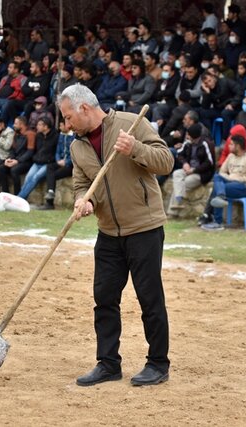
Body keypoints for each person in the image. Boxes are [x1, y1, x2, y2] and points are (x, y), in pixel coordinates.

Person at [58, 84, 173, 387]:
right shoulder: (77, 145)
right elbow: (83, 181)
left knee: (150, 299)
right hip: (108, 231)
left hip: (144, 228)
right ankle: (108, 363)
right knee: (104, 298)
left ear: (84, 108)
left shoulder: (131, 124)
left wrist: (135, 148)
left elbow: (165, 161)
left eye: (69, 117)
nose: (66, 125)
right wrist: (85, 200)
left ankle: (158, 363)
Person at [201, 134, 246, 231]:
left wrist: (240, 179)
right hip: (230, 183)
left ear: (238, 146)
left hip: (245, 187)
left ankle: (217, 222)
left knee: (218, 189)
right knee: (217, 177)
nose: (228, 146)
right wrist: (230, 178)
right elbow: (222, 172)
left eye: (231, 144)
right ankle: (221, 196)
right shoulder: (230, 156)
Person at [167, 123, 214, 215]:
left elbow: (209, 162)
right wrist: (185, 163)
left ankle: (172, 211)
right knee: (177, 174)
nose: (187, 136)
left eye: (188, 134)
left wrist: (194, 170)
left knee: (183, 183)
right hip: (188, 169)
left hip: (201, 173)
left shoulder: (206, 143)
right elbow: (179, 154)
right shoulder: (188, 143)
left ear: (194, 135)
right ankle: (179, 199)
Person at [17, 117, 58, 200]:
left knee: (36, 177)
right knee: (28, 178)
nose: (37, 127)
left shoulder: (55, 136)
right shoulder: (38, 136)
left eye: (39, 125)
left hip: (47, 163)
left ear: (46, 127)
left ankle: (20, 198)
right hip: (37, 162)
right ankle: (21, 197)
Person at [38, 120, 74, 210]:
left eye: (61, 125)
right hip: (61, 162)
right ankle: (50, 192)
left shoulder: (74, 136)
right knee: (49, 167)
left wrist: (66, 162)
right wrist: (58, 160)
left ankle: (49, 203)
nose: (60, 128)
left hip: (70, 165)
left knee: (52, 175)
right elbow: (57, 151)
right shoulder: (61, 135)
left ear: (67, 126)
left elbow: (75, 153)